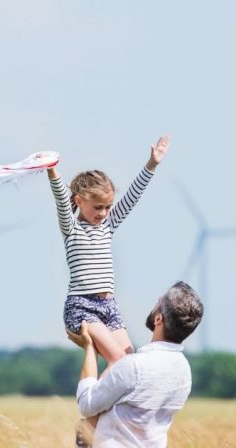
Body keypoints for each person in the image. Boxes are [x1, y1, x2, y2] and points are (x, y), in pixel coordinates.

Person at [46, 135, 169, 363]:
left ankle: (111, 398)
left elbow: (133, 196)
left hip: (109, 307)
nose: (103, 213)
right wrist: (53, 172)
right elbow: (62, 202)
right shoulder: (72, 228)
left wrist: (152, 164)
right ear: (79, 200)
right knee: (116, 359)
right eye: (98, 207)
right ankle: (94, 397)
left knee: (129, 364)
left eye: (108, 207)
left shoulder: (107, 226)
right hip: (81, 306)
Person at [69, 281, 204, 448]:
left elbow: (86, 405)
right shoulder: (184, 371)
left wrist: (89, 347)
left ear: (158, 318)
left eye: (159, 301)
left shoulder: (134, 367)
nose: (156, 301)